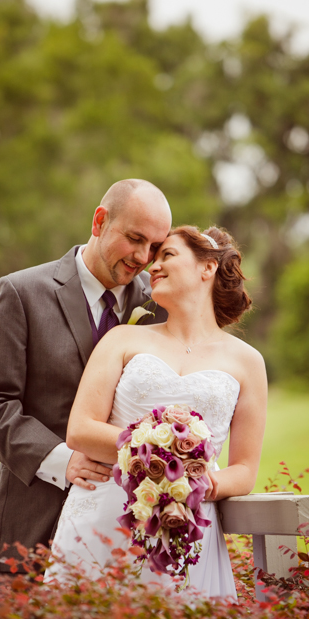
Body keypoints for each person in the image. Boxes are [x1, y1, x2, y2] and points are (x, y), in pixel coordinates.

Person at [46, 225, 267, 598]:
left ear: (207, 267)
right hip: (103, 515)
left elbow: (244, 470)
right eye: (154, 259)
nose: (153, 267)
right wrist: (156, 450)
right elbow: (80, 430)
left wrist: (195, 482)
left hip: (183, 524)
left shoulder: (248, 361)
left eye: (167, 255)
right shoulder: (122, 339)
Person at [0, 179, 173, 575]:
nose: (143, 257)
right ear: (99, 221)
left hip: (130, 538)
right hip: (32, 528)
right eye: (135, 238)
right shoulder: (20, 292)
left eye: (155, 246)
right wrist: (62, 461)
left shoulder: (159, 302)